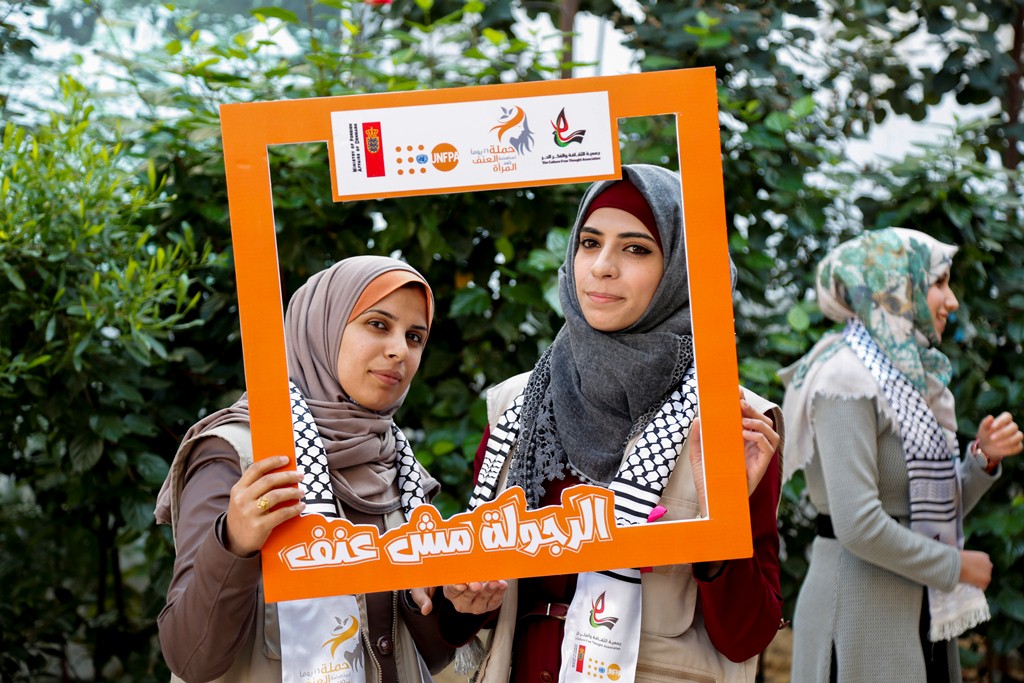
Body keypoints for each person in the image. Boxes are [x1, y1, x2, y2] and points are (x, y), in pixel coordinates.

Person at [432, 164, 785, 683]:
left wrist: (720, 517)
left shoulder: (730, 422)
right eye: (589, 242)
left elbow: (747, 636)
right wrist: (465, 598)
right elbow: (463, 617)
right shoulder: (516, 407)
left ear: (682, 269)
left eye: (636, 249)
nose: (601, 267)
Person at [154, 255, 457, 683]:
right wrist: (234, 542)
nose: (399, 351)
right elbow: (190, 659)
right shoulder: (239, 454)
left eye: (415, 337)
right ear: (320, 328)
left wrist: (454, 605)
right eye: (377, 324)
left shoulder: (401, 471)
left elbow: (425, 658)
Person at [779, 228, 1024, 682]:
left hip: (917, 612)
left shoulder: (908, 378)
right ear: (893, 284)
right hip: (858, 616)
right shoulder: (843, 379)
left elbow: (925, 507)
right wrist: (955, 566)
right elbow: (858, 524)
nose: (952, 301)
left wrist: (982, 460)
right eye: (938, 283)